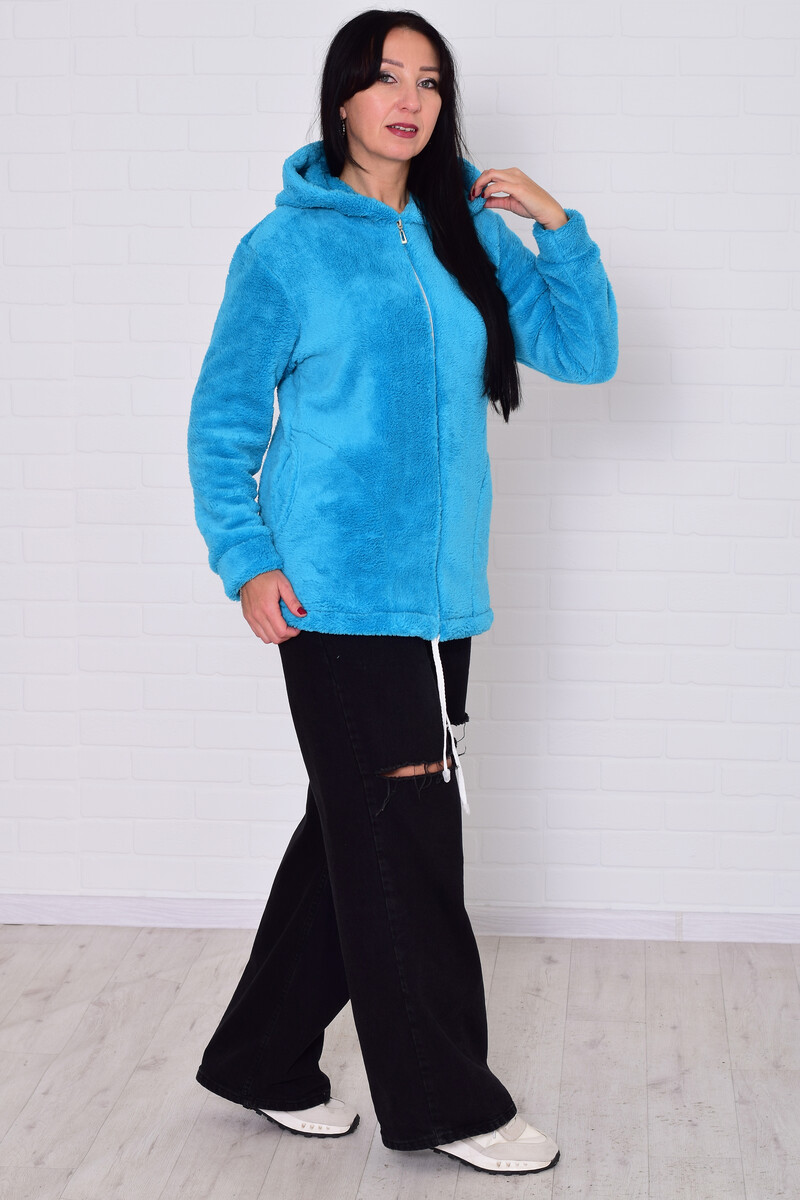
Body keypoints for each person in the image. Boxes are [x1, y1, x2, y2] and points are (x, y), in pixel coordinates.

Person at [187, 8, 617, 1178]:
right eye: (385, 78)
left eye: (427, 82)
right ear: (342, 97)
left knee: (356, 827)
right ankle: (443, 1101)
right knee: (404, 840)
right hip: (331, 597)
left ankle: (262, 1057)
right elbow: (222, 420)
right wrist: (246, 559)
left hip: (439, 599)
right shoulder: (284, 250)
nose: (408, 100)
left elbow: (583, 354)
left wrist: (554, 228)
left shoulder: (460, 234)